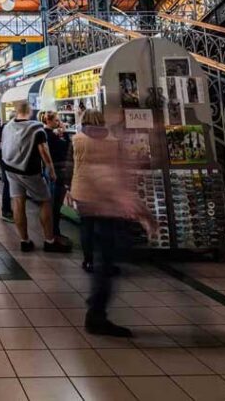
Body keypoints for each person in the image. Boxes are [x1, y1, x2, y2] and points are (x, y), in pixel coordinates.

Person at [71, 110, 153, 337]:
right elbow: (110, 175)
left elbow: (78, 164)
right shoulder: (111, 142)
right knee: (107, 256)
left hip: (83, 192)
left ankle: (89, 261)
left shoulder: (77, 139)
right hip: (105, 202)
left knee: (87, 230)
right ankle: (96, 312)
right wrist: (136, 207)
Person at [0, 101, 69, 253]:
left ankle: (25, 241)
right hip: (30, 170)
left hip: (11, 169)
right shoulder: (36, 128)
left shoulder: (8, 126)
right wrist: (51, 170)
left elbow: (3, 145)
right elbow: (44, 150)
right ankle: (49, 241)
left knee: (18, 202)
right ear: (29, 111)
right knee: (45, 201)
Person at [41, 111, 73, 247]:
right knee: (55, 204)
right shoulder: (48, 135)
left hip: (53, 170)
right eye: (56, 120)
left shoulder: (48, 134)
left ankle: (54, 232)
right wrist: (64, 134)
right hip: (56, 171)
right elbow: (64, 148)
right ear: (48, 120)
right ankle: (54, 233)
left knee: (54, 203)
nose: (58, 123)